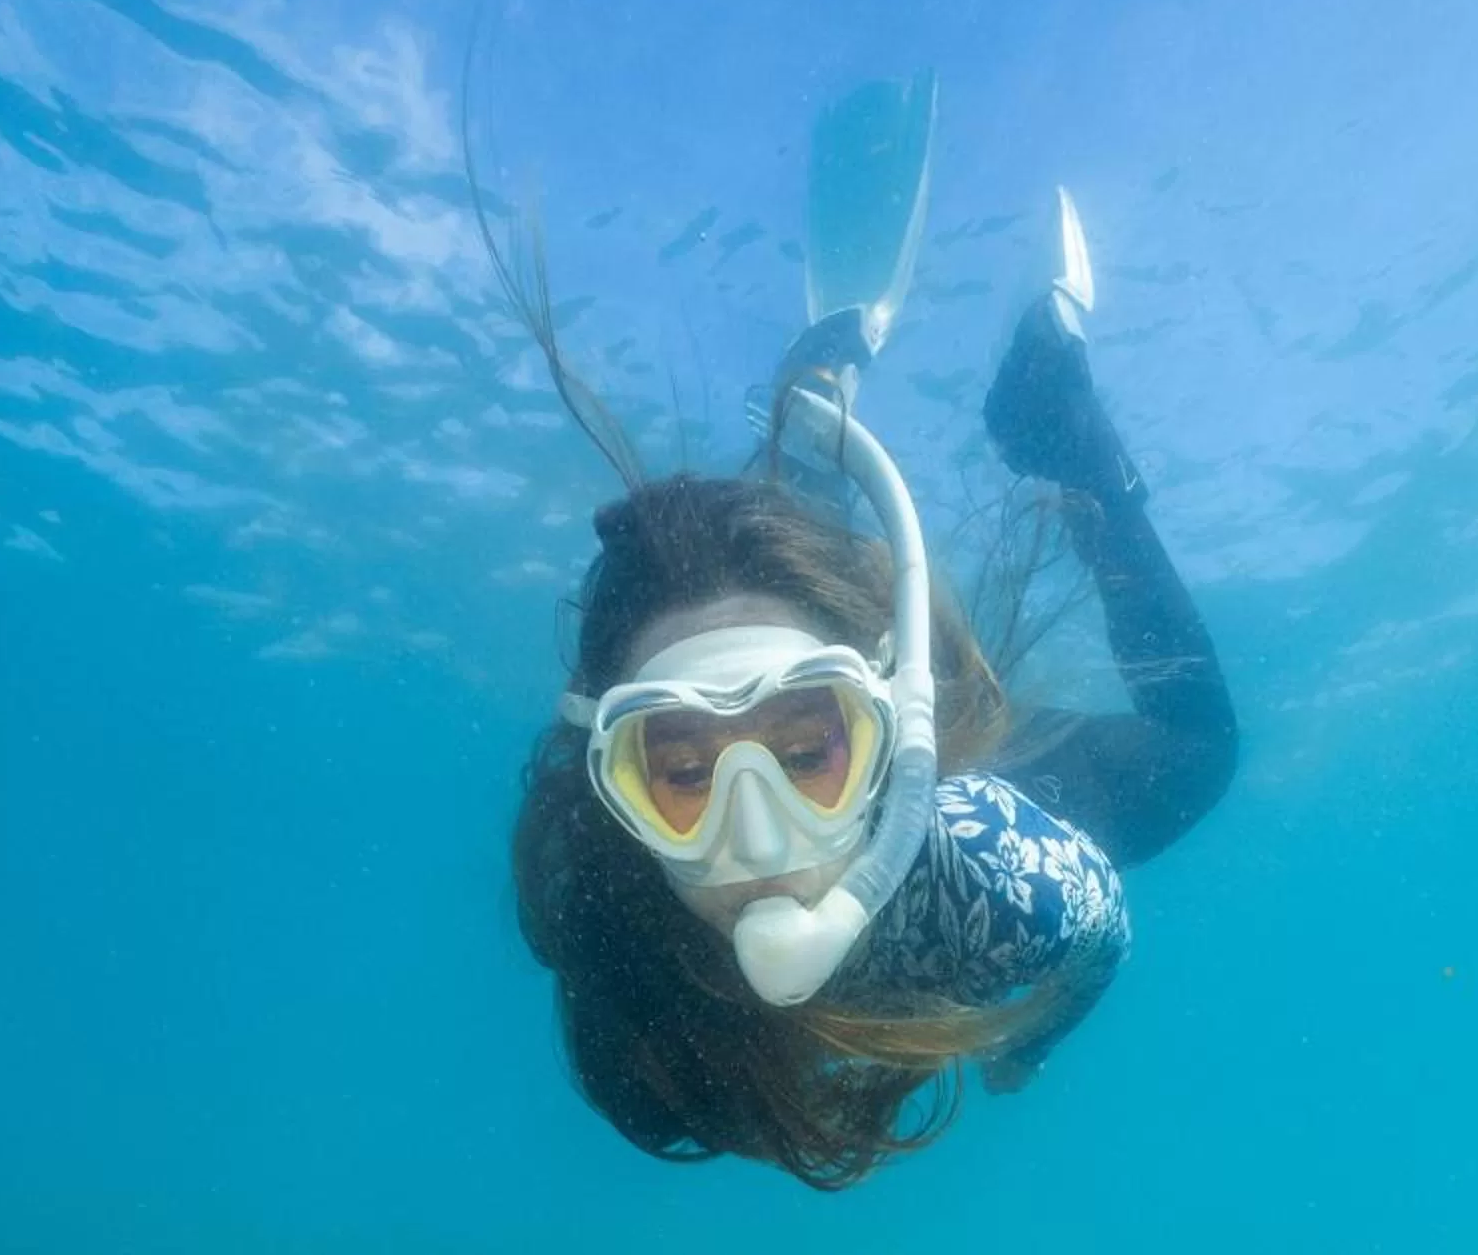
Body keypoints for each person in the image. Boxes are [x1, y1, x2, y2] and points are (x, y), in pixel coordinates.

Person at [512, 286, 1236, 1188]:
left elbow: (1102, 942)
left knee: (1199, 757)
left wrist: (1031, 1044)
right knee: (775, 598)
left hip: (941, 798)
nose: (760, 844)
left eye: (802, 756)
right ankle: (812, 427)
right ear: (617, 792)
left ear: (888, 728)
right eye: (688, 773)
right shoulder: (618, 936)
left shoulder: (1001, 875)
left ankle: (1077, 449)